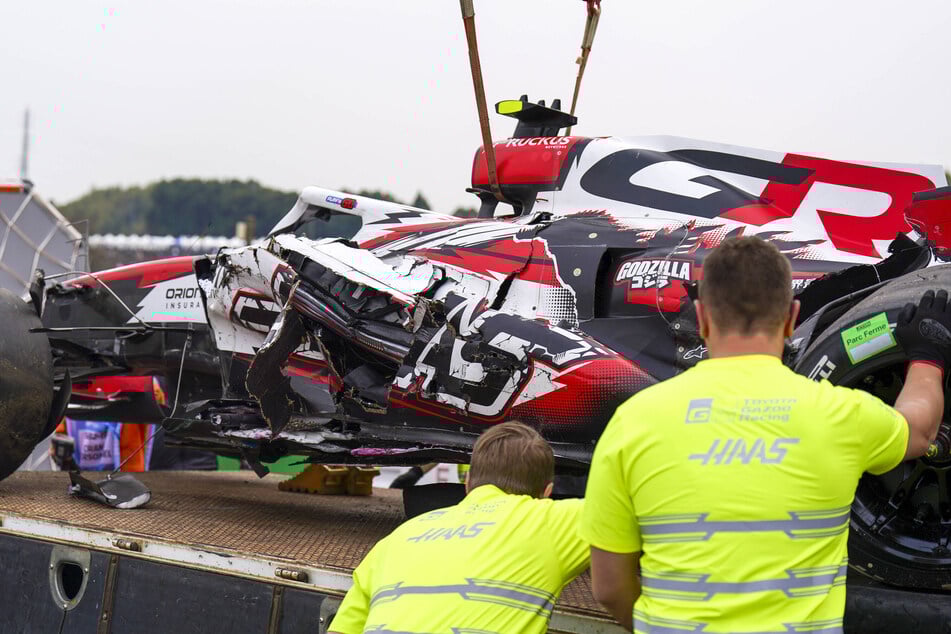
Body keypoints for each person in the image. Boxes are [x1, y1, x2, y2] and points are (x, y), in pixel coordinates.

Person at [580, 236, 948, 632]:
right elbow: (920, 432)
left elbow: (608, 586)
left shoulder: (634, 421)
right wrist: (927, 358)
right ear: (791, 318)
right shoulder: (840, 415)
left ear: (702, 317)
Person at [330, 421, 589, 634]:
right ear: (547, 493)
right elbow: (627, 510)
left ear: (467, 485)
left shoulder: (395, 539)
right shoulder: (552, 520)